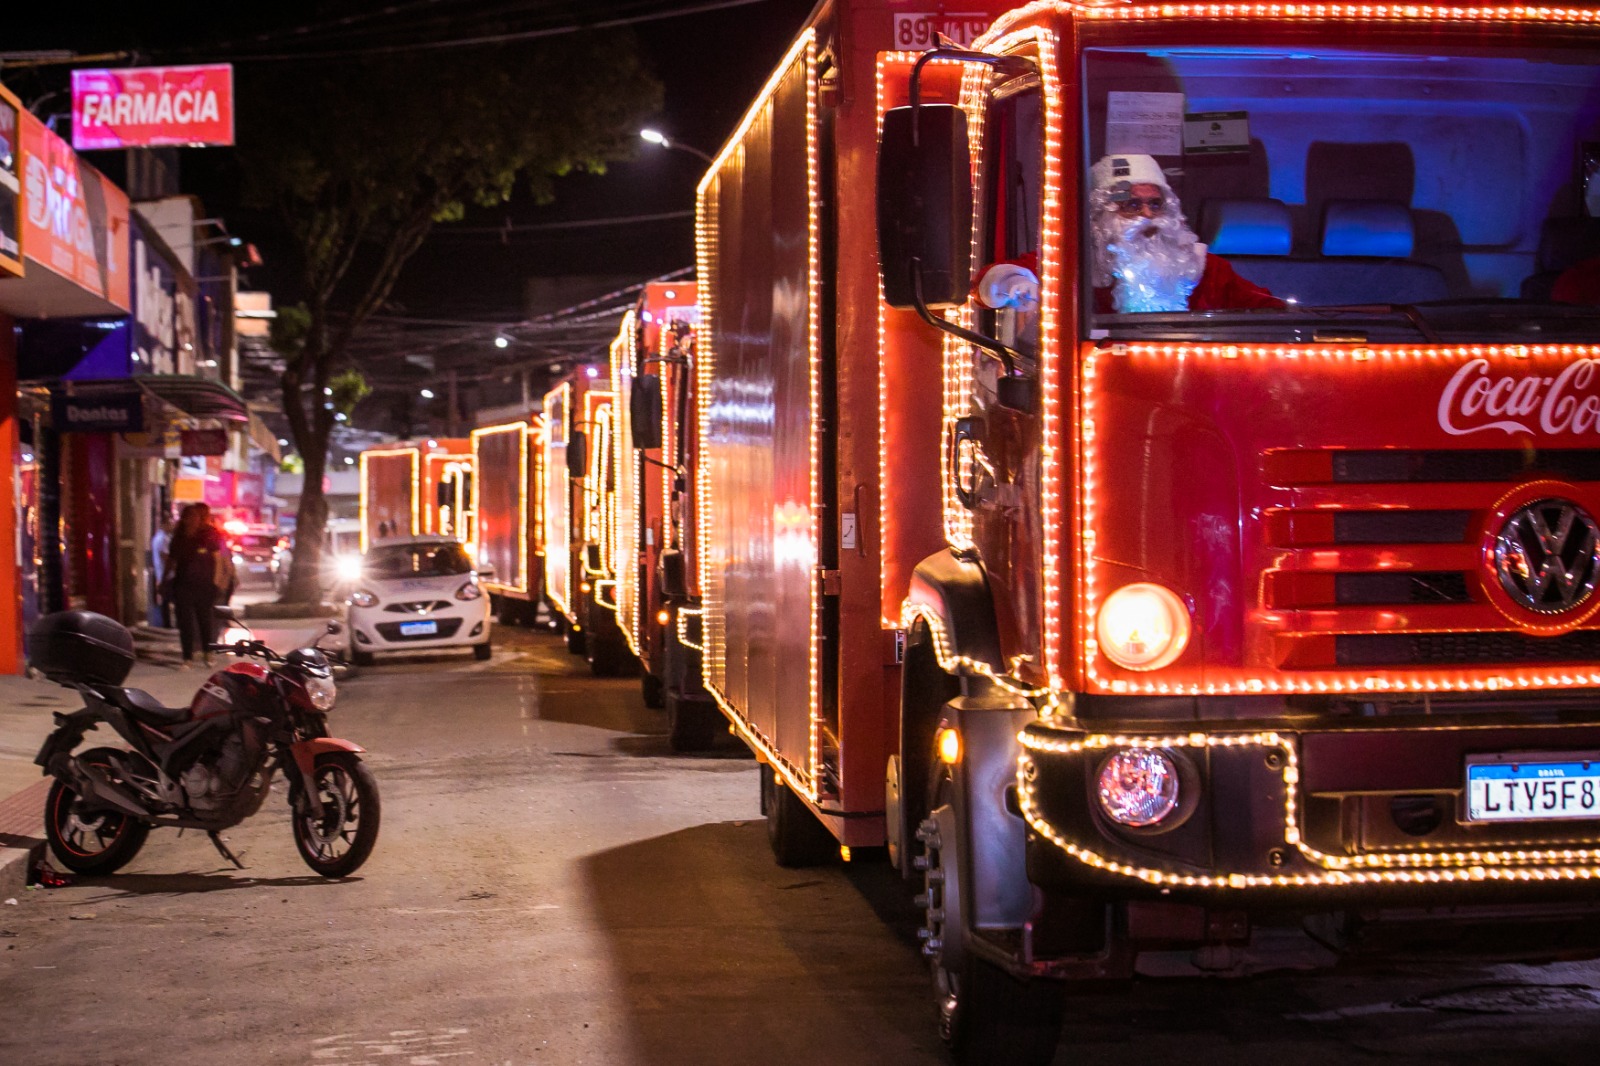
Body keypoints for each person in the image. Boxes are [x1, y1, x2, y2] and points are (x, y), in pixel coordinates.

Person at [1090, 153, 1285, 314]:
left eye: (1156, 204)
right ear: (1103, 213)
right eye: (1132, 205)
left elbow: (1272, 313)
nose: (1148, 215)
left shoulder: (1208, 268)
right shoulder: (1075, 277)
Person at [164, 504, 229, 668]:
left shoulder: (208, 535)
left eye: (195, 517)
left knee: (204, 620)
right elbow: (172, 560)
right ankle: (187, 657)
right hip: (183, 584)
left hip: (204, 584)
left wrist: (217, 581)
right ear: (184, 519)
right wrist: (164, 579)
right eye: (189, 517)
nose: (192, 520)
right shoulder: (179, 538)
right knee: (184, 622)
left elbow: (218, 561)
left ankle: (208, 653)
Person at [149, 516, 174, 629]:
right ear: (164, 525)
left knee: (165, 599)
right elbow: (164, 556)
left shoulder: (157, 538)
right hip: (166, 574)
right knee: (166, 600)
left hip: (162, 573)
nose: (171, 526)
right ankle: (166, 624)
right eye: (169, 524)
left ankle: (166, 622)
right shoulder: (163, 538)